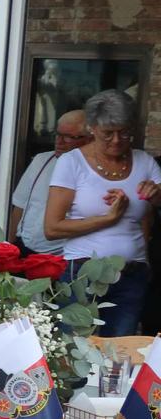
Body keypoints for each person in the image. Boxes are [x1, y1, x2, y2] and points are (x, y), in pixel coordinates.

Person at [45, 88, 159, 337]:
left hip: (131, 275)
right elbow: (52, 228)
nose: (117, 141)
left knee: (119, 355)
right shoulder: (72, 162)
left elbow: (152, 212)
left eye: (124, 133)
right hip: (82, 273)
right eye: (108, 134)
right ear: (92, 128)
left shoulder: (145, 162)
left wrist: (156, 195)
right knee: (74, 354)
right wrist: (108, 218)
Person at [8, 109, 90, 252]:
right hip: (24, 247)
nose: (59, 141)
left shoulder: (92, 171)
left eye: (68, 137)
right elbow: (20, 207)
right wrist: (9, 246)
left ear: (89, 139)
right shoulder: (41, 160)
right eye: (58, 134)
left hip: (61, 256)